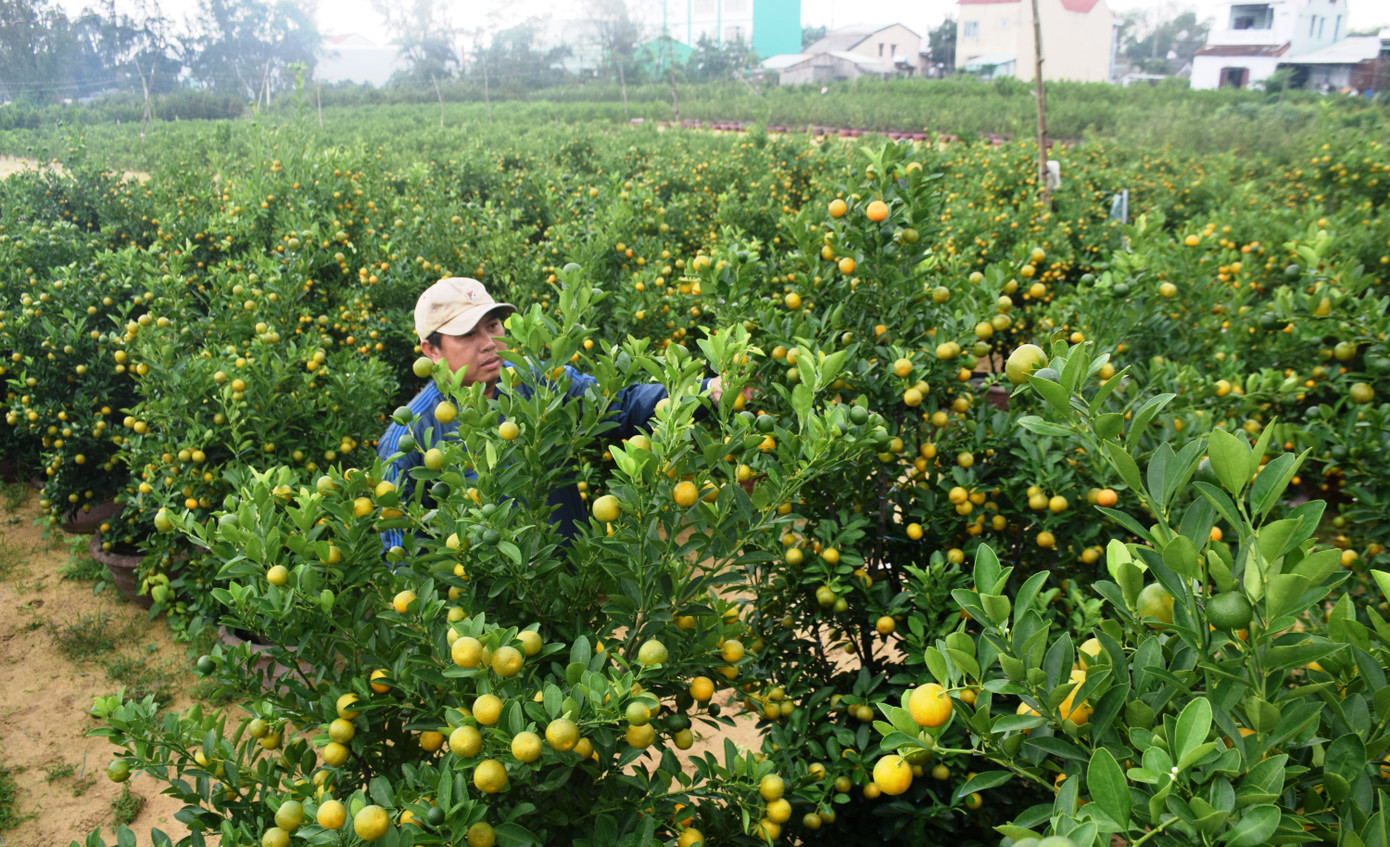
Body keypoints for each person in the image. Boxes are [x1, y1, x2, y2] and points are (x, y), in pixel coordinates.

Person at [377, 277, 723, 550]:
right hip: (486, 620)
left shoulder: (539, 380)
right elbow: (402, 546)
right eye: (467, 334)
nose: (488, 343)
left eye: (494, 325)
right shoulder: (408, 438)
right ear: (431, 350)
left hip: (567, 585)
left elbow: (619, 402)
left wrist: (707, 392)